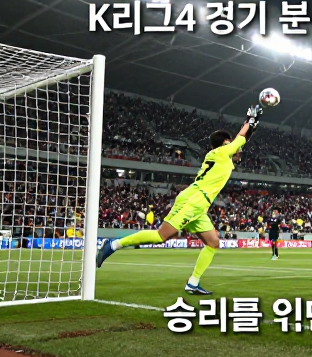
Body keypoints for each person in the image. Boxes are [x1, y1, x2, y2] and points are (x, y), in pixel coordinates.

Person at [96, 105, 263, 295]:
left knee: (213, 242)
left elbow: (242, 139)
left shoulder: (222, 157)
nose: (237, 148)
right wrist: (250, 121)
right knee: (162, 236)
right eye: (230, 143)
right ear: (224, 144)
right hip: (195, 200)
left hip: (199, 203)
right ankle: (113, 245)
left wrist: (251, 123)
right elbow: (241, 138)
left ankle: (193, 283)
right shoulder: (221, 153)